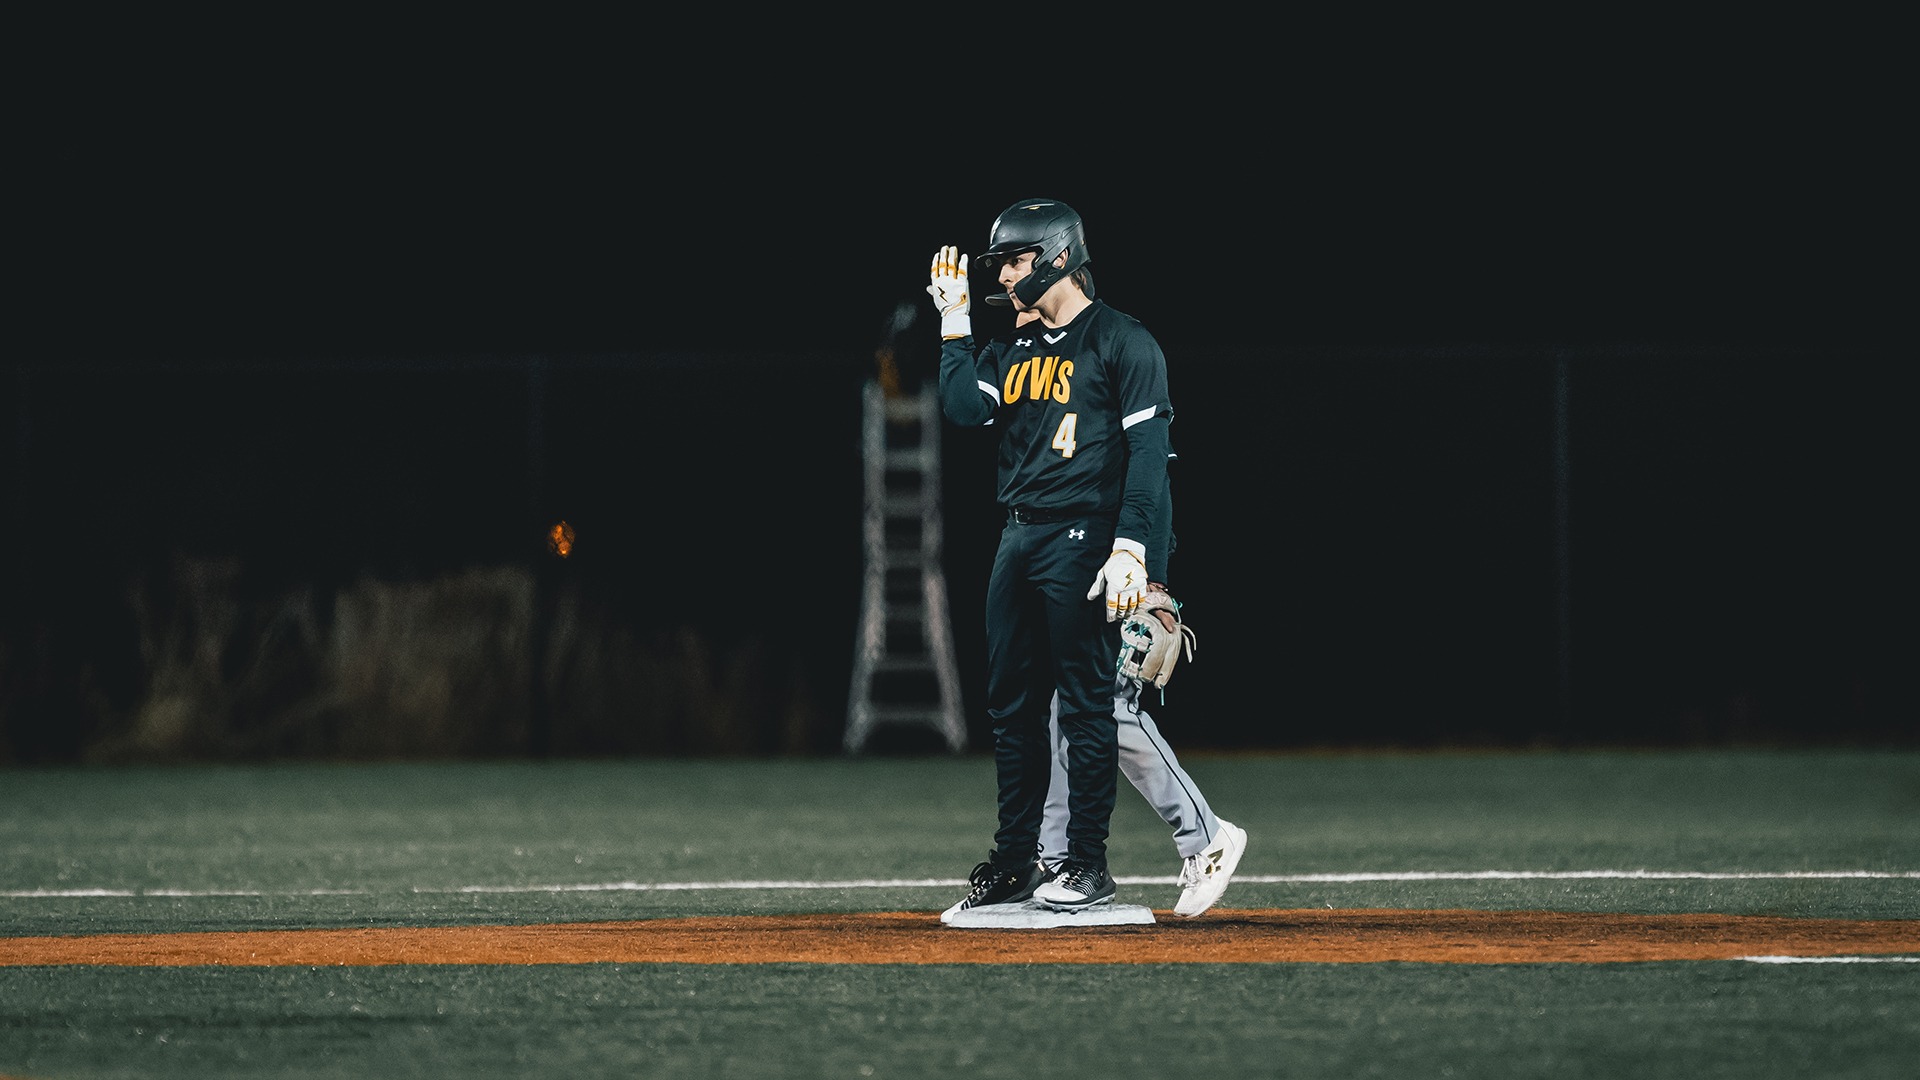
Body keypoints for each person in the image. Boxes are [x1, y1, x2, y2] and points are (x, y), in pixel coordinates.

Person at [927, 198, 1179, 919]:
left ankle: (1087, 864)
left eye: (1015, 259)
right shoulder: (1017, 346)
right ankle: (1014, 862)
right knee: (1010, 708)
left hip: (1084, 538)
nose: (1003, 274)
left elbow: (1148, 458)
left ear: (1059, 255)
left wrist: (1134, 549)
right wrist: (953, 324)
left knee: (1086, 707)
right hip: (1020, 534)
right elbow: (964, 409)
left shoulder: (1123, 340)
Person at [994, 304, 1247, 919]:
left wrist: (1156, 585)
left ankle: (1206, 836)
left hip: (1123, 569)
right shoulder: (1063, 383)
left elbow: (1153, 483)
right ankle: (1057, 863)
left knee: (1105, 705)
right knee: (1060, 709)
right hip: (1084, 561)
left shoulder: (1123, 363)